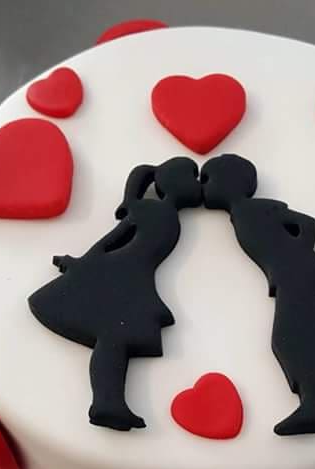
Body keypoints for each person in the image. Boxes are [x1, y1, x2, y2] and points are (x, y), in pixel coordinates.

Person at [29, 157, 201, 431]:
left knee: (114, 340)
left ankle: (109, 403)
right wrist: (81, 264)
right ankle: (106, 403)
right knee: (112, 338)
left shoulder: (164, 213)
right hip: (118, 274)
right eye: (193, 177)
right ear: (174, 182)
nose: (198, 184)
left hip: (132, 275)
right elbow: (112, 240)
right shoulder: (150, 209)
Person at [201, 154, 315, 435]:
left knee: (294, 336)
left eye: (207, 180)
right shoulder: (241, 213)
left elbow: (307, 223)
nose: (203, 187)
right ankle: (311, 403)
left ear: (228, 183)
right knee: (290, 337)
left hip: (296, 272)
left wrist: (294, 256)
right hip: (291, 272)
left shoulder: (255, 208)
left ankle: (313, 406)